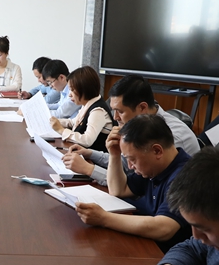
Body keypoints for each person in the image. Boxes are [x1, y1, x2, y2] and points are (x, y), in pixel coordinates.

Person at [76, 115, 191, 252]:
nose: (130, 166)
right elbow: (118, 190)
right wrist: (114, 154)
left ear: (157, 151)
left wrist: (103, 218)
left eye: (132, 159)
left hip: (160, 253)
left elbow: (164, 228)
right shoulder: (155, 167)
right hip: (145, 242)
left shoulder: (187, 176)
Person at [63, 75, 200, 186]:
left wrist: (88, 169)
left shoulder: (170, 136)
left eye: (120, 112)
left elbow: (134, 182)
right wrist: (90, 153)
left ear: (142, 108)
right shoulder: (140, 125)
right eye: (113, 110)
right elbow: (125, 163)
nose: (115, 117)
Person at [49, 66, 114, 151]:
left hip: (92, 157)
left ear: (84, 89)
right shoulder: (87, 103)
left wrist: (61, 130)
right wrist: (53, 121)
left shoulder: (98, 110)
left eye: (72, 90)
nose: (70, 95)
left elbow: (87, 140)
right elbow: (73, 122)